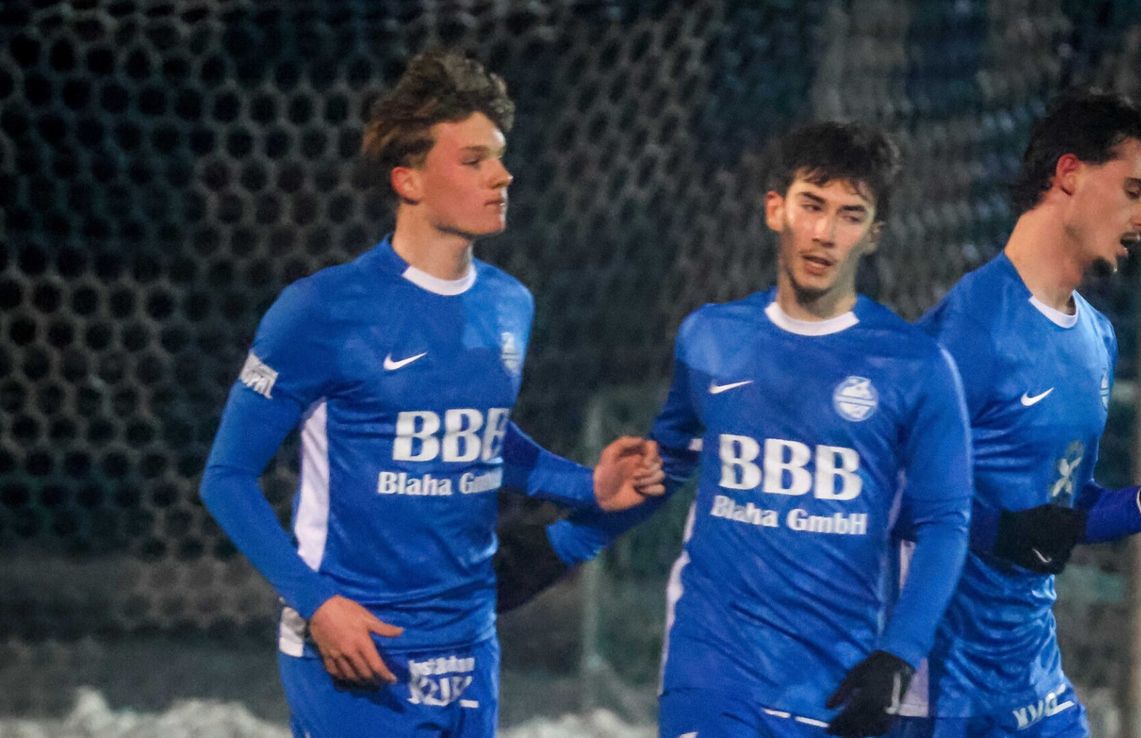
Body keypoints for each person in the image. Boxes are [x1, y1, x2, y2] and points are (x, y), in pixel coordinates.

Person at [199, 47, 663, 738]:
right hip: (357, 648)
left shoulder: (511, 304)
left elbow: (478, 436)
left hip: (470, 640)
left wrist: (587, 486)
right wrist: (317, 605)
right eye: (473, 160)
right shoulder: (322, 310)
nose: (502, 175)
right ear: (408, 180)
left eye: (500, 157)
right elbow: (226, 478)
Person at [499, 121, 975, 737]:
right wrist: (566, 544)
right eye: (812, 205)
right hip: (715, 663)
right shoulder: (712, 339)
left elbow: (945, 524)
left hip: (836, 675)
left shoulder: (917, 367)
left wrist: (899, 655)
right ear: (775, 208)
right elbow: (664, 465)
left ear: (874, 235)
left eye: (850, 215)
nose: (825, 233)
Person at [890, 90, 1141, 738]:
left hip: (1031, 680)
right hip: (936, 692)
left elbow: (1057, 509)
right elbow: (881, 492)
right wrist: (998, 531)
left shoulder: (1096, 339)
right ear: (1068, 175)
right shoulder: (968, 329)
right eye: (1133, 191)